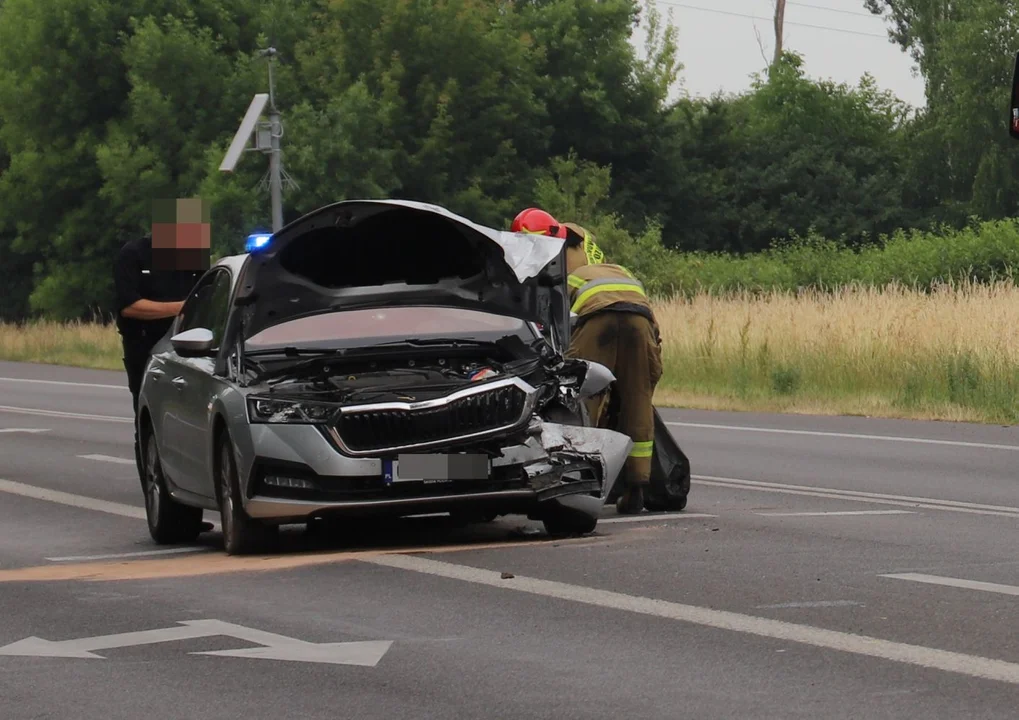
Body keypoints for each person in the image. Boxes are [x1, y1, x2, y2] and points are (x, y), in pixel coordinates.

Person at [510, 208, 663, 515]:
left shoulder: (563, 277)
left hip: (595, 320)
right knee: (638, 404)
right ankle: (636, 487)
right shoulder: (620, 271)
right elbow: (653, 331)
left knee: (579, 401)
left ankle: (582, 480)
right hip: (639, 320)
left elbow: (551, 329)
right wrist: (648, 373)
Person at [112, 228, 206, 482]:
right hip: (144, 348)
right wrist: (182, 308)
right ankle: (159, 499)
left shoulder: (193, 257)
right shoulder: (133, 255)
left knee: (188, 423)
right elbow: (129, 306)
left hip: (189, 348)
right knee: (150, 421)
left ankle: (186, 494)